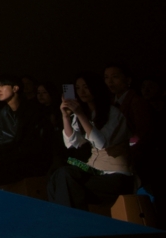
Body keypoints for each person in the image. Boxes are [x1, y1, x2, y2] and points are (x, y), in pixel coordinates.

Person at [47, 73, 132, 210]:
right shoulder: (83, 113)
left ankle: (68, 219)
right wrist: (66, 116)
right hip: (94, 171)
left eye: (86, 87)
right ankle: (65, 218)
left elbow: (101, 143)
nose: (82, 91)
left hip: (116, 176)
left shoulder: (113, 113)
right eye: (78, 88)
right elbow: (71, 143)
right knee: (58, 175)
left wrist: (80, 114)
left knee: (67, 179)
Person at [0, 75, 46, 187]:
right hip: (8, 157)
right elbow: (0, 137)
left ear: (15, 88)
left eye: (2, 86)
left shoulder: (32, 111)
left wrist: (2, 159)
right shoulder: (4, 112)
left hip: (27, 161)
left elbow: (29, 146)